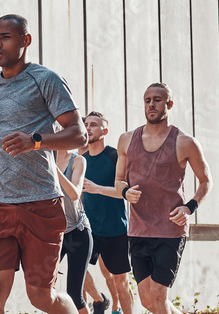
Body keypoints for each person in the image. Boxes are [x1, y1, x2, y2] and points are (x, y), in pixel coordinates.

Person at [0, 14, 89, 314]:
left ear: (26, 40)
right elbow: (0, 138)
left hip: (40, 204)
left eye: (5, 37)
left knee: (41, 297)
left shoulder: (46, 80)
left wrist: (36, 141)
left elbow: (79, 135)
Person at [86, 83, 213, 314]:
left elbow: (206, 181)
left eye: (157, 99)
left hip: (170, 230)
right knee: (146, 301)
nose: (151, 104)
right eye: (147, 100)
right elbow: (119, 180)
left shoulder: (185, 142)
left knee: (158, 297)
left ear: (169, 104)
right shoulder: (127, 139)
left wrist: (189, 208)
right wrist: (125, 192)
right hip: (137, 231)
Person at [79, 112, 135, 314]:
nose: (88, 128)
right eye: (86, 124)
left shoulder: (114, 157)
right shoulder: (81, 161)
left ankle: (119, 309)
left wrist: (97, 188)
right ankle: (99, 301)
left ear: (105, 131)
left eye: (94, 125)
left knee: (119, 280)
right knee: (79, 272)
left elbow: (126, 194)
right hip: (88, 228)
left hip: (115, 229)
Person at [53, 149, 95, 314]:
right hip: (54, 234)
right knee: (45, 289)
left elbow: (75, 194)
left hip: (78, 233)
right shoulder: (45, 158)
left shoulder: (78, 161)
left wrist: (54, 168)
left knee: (74, 295)